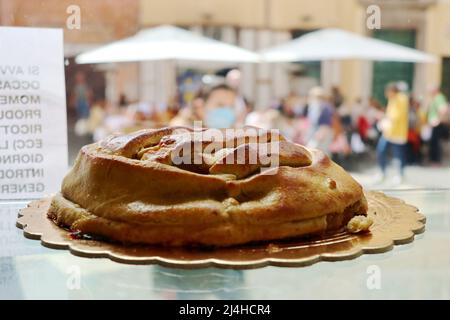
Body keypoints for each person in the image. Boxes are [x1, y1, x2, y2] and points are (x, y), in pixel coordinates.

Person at [376, 83, 409, 184]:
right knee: (381, 150)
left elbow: (398, 115)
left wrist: (385, 119)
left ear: (392, 91)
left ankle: (400, 175)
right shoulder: (392, 99)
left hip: (398, 133)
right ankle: (382, 173)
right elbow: (390, 113)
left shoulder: (402, 98)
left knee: (398, 156)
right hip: (388, 132)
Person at [427, 86, 449, 165]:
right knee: (434, 142)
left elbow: (443, 110)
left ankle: (436, 161)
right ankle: (434, 160)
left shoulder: (439, 98)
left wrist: (438, 120)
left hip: (437, 124)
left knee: (436, 142)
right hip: (436, 123)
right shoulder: (437, 98)